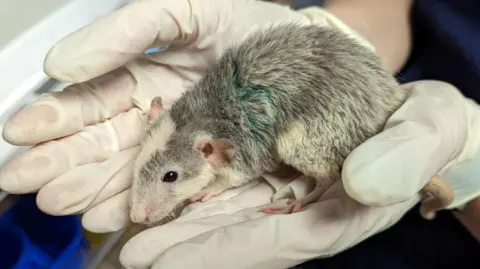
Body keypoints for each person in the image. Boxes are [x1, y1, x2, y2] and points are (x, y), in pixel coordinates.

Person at [0, 0, 479, 268]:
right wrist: (341, 25)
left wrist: (466, 169)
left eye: (169, 179)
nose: (144, 212)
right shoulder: (190, 119)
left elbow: (249, 159)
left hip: (426, 239)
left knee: (302, 153)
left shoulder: (223, 145)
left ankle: (316, 186)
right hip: (370, 67)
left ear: (208, 150)